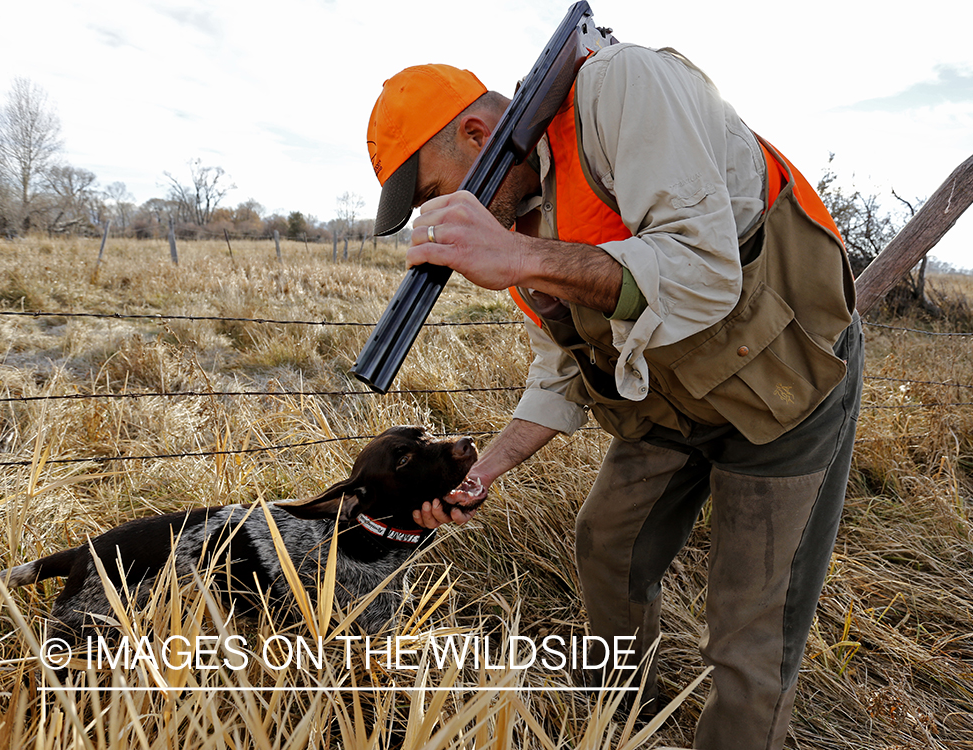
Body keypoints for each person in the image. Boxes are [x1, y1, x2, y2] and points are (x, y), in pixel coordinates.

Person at [365, 40, 863, 750]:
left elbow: (703, 273)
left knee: (749, 627)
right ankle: (620, 717)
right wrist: (484, 470)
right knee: (607, 544)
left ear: (476, 135)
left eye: (430, 191)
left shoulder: (620, 88)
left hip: (782, 387)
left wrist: (520, 258)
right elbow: (559, 370)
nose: (433, 218)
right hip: (665, 400)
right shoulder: (521, 218)